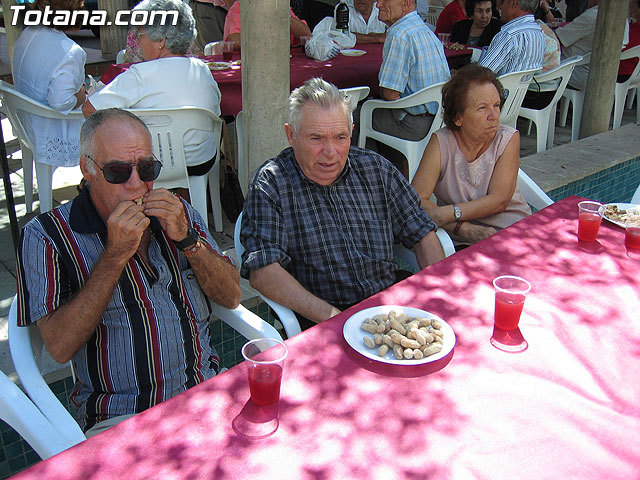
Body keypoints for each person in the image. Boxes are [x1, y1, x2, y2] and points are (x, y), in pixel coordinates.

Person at [16, 108, 242, 435]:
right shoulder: (46, 236)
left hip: (206, 395)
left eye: (147, 168)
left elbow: (232, 296)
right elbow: (60, 346)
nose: (137, 185)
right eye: (118, 171)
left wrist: (188, 239)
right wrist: (115, 255)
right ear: (88, 170)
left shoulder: (178, 213)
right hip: (122, 421)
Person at [240, 78, 445, 329]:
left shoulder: (375, 168)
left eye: (340, 137)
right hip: (323, 315)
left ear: (351, 132)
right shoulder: (272, 183)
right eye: (316, 138)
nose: (330, 152)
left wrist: (437, 292)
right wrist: (334, 317)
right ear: (291, 136)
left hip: (391, 306)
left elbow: (422, 230)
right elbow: (263, 271)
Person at [83, 0, 221, 178]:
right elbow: (217, 112)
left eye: (141, 34)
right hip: (202, 161)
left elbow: (89, 109)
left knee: (99, 162)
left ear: (161, 41)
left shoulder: (140, 74)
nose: (139, 42)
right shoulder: (202, 68)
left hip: (151, 166)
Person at [411, 65, 531, 247]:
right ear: (458, 118)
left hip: (513, 233)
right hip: (462, 239)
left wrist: (446, 214)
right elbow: (416, 201)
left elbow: (498, 201)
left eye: (496, 105)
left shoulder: (507, 139)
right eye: (482, 108)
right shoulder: (441, 142)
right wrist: (465, 229)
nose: (493, 116)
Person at [11, 0, 87, 210]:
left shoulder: (29, 32)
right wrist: (82, 95)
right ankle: (96, 192)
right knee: (108, 124)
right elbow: (62, 102)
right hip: (51, 127)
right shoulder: (70, 51)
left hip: (26, 120)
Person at [364, 0, 450, 177]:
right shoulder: (425, 30)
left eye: (384, 0)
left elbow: (390, 93)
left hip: (415, 124)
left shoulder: (399, 34)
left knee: (359, 114)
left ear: (406, 4)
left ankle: (372, 178)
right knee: (377, 111)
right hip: (438, 119)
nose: (378, 5)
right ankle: (397, 171)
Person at [477, 0, 545, 76]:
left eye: (503, 2)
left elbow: (481, 75)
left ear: (514, 3)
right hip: (523, 87)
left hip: (501, 86)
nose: (501, 7)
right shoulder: (538, 32)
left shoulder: (509, 35)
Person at [224, 0, 311, 50]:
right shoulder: (241, 6)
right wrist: (270, 44)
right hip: (250, 67)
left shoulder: (278, 6)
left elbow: (306, 34)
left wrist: (286, 17)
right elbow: (234, 41)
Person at [312, 0, 388, 44]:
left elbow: (393, 34)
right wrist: (378, 38)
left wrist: (362, 38)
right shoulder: (343, 9)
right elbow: (343, 36)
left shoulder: (382, 10)